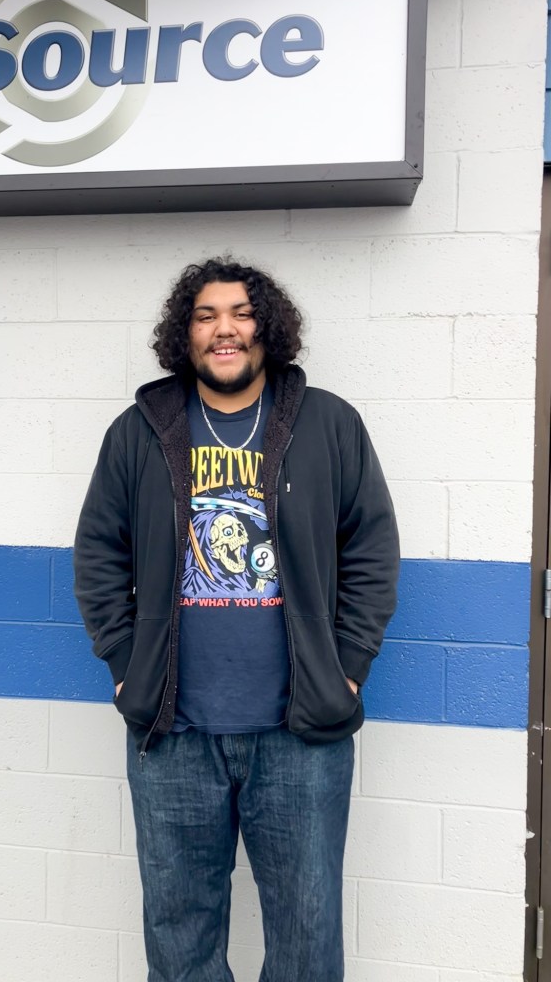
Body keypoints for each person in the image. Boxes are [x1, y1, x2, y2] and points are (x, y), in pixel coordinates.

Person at [74, 256, 399, 982]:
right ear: (184, 334)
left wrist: (348, 669)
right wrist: (126, 667)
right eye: (206, 316)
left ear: (266, 328)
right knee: (179, 937)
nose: (225, 330)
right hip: (173, 732)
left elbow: (372, 549)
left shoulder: (329, 424)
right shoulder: (140, 432)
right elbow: (98, 553)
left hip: (301, 733)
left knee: (306, 938)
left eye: (241, 314)